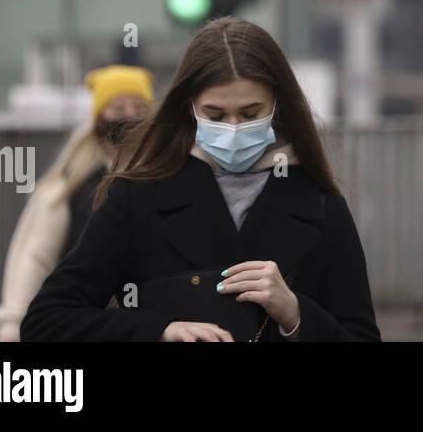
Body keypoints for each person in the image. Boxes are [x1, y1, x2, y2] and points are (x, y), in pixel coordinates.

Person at [21, 18, 380, 341]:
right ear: (190, 108)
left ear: (277, 107)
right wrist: (159, 331)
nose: (234, 128)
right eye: (216, 113)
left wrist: (295, 314)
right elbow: (47, 320)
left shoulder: (321, 207)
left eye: (251, 113)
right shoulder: (140, 196)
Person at [0, 65, 153, 342]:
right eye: (118, 107)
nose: (129, 115)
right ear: (98, 118)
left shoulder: (165, 175)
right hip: (87, 327)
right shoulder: (70, 185)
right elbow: (35, 255)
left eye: (138, 106)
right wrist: (13, 322)